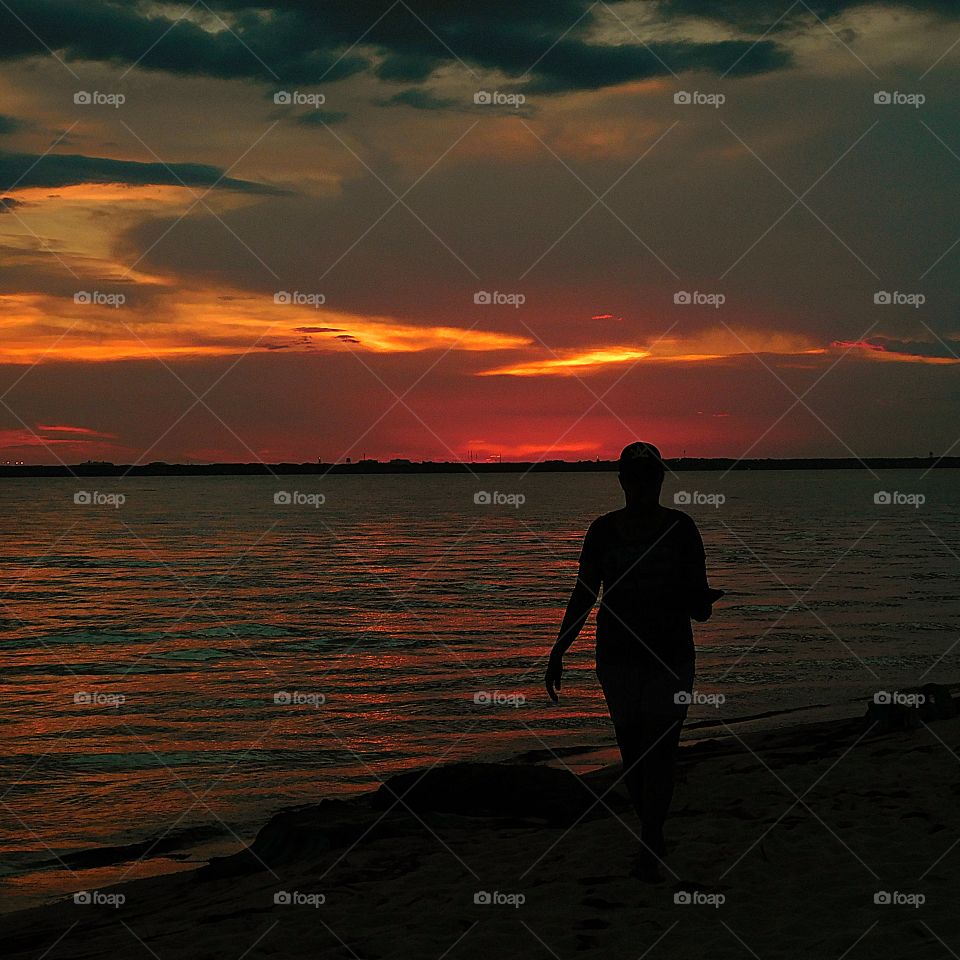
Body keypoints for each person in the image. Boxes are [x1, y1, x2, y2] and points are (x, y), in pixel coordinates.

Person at [544, 441, 722, 881]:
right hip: (617, 656)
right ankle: (651, 832)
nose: (643, 485)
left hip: (670, 654)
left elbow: (699, 603)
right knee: (633, 753)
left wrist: (699, 602)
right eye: (635, 477)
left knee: (661, 750)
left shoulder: (681, 529)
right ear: (622, 481)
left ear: (660, 480)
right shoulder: (603, 531)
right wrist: (559, 648)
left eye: (650, 477)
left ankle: (651, 837)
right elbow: (585, 592)